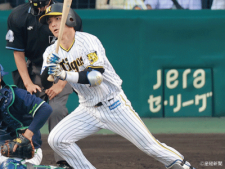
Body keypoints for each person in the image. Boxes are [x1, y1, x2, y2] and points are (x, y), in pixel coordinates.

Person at [39, 3, 196, 169]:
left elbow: (96, 77)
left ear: (69, 19)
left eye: (57, 19)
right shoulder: (51, 52)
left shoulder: (88, 41)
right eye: (49, 22)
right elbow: (45, 82)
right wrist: (50, 70)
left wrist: (64, 74)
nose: (53, 24)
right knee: (57, 139)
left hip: (113, 104)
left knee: (150, 146)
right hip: (87, 109)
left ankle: (183, 165)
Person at [5, 0, 83, 167]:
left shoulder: (67, 13)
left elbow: (73, 52)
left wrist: (61, 84)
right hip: (33, 70)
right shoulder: (18, 16)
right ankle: (27, 155)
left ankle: (64, 160)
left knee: (56, 110)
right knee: (24, 112)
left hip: (63, 69)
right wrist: (27, 84)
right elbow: (18, 53)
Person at [0, 64, 53, 167]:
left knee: (9, 167)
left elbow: (45, 109)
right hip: (3, 149)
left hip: (24, 150)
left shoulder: (16, 95)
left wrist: (27, 135)